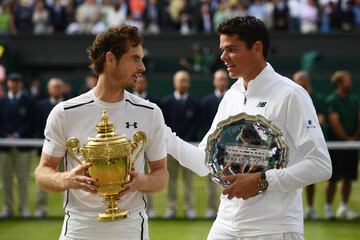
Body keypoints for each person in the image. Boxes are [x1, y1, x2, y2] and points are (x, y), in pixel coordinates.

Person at [165, 16, 331, 239]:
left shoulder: (291, 94)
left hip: (274, 228)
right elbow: (204, 161)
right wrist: (162, 134)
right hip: (225, 225)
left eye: (231, 49)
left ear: (257, 48)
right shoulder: (231, 95)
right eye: (222, 49)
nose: (223, 57)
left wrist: (262, 181)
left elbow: (320, 165)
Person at [34, 24, 168, 240]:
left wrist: (141, 181)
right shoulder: (64, 112)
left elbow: (161, 174)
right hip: (79, 230)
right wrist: (66, 179)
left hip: (132, 229)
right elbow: (42, 173)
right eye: (135, 58)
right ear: (111, 58)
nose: (142, 66)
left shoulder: (151, 113)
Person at [161, 70, 201, 219]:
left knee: (189, 182)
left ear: (189, 83)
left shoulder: (195, 104)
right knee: (171, 181)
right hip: (171, 151)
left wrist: (185, 143)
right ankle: (171, 209)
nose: (183, 83)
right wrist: (174, 144)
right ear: (174, 83)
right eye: (180, 80)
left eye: (185, 80)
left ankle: (189, 208)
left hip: (189, 149)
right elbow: (165, 126)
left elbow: (196, 126)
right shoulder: (166, 103)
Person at [324, 70, 360, 220]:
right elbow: (334, 122)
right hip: (336, 145)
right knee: (333, 179)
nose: (349, 82)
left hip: (352, 145)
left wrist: (354, 138)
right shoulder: (332, 100)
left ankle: (344, 208)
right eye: (347, 80)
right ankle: (328, 210)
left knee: (348, 177)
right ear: (339, 83)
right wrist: (347, 138)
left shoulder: (354, 100)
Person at [0, 72, 36, 218]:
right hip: (4, 146)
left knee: (23, 178)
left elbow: (31, 122)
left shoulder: (29, 101)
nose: (14, 84)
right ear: (7, 83)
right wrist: (5, 136)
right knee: (6, 179)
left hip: (23, 146)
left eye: (17, 81)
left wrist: (18, 135)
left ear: (21, 84)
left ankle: (24, 208)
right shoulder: (2, 101)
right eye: (12, 81)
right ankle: (7, 208)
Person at [293, 70, 326, 220]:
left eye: (300, 80)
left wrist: (306, 127)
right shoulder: (293, 96)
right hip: (294, 146)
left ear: (306, 81)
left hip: (313, 143)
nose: (297, 83)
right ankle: (295, 210)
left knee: (311, 176)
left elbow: (321, 118)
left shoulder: (317, 98)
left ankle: (311, 208)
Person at [35, 77, 65, 218]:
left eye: (59, 86)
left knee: (69, 178)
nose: (56, 89)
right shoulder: (41, 106)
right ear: (48, 89)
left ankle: (68, 208)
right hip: (46, 150)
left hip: (67, 151)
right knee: (43, 177)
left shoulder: (69, 105)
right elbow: (36, 126)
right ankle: (41, 209)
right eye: (54, 87)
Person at [201, 69, 229, 219]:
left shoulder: (233, 99)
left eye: (224, 79)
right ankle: (211, 209)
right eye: (219, 79)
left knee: (228, 179)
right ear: (214, 81)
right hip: (212, 149)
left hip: (229, 149)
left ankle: (225, 211)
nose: (222, 82)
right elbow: (205, 124)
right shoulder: (207, 101)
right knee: (212, 181)